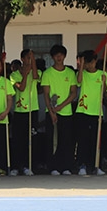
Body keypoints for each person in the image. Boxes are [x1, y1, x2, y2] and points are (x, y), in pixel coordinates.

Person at [41, 45, 77, 175]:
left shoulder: (70, 73)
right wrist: (51, 112)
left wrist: (61, 107)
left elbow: (73, 93)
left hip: (66, 112)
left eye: (61, 54)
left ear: (65, 56)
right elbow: (46, 94)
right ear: (52, 57)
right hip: (51, 113)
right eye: (56, 55)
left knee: (66, 140)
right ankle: (53, 167)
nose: (59, 57)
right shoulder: (47, 74)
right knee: (52, 140)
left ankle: (66, 166)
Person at [74, 50, 107, 176]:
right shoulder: (81, 73)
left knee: (96, 140)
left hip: (96, 111)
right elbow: (79, 81)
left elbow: (104, 92)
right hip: (83, 110)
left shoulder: (102, 73)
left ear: (95, 62)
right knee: (83, 139)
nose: (89, 65)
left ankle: (96, 165)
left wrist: (104, 82)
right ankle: (82, 165)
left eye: (90, 62)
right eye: (86, 63)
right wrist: (81, 66)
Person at [9, 49, 39, 176]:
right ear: (22, 59)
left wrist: (32, 65)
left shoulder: (35, 72)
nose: (29, 60)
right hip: (20, 110)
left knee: (30, 139)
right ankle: (16, 166)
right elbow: (21, 87)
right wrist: (25, 74)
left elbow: (37, 77)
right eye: (27, 58)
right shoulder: (14, 75)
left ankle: (28, 165)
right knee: (18, 140)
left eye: (31, 58)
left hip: (32, 109)